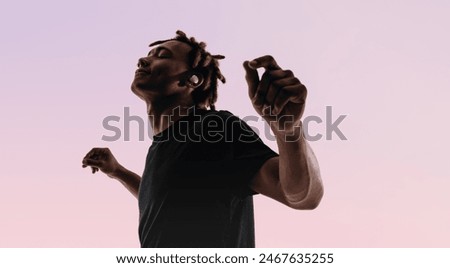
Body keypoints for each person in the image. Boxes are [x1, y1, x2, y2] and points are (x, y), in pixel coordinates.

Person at [82, 30, 323, 248]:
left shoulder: (214, 129)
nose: (144, 60)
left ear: (192, 80)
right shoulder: (163, 145)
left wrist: (289, 131)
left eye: (161, 55)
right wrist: (117, 171)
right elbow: (161, 202)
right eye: (149, 54)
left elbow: (301, 195)